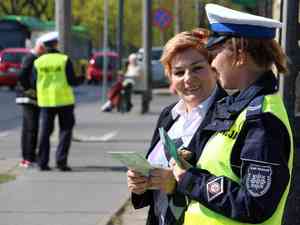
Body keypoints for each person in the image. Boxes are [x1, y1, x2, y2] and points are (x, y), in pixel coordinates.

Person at [171, 4, 294, 225]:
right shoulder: (236, 107)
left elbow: (254, 205)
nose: (212, 61)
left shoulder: (262, 121)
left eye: (216, 51)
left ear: (239, 53)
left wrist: (191, 180)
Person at [127, 29, 227, 225]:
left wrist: (176, 184)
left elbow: (232, 193)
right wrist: (140, 184)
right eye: (179, 72)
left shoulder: (230, 115)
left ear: (214, 68)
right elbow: (156, 183)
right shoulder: (169, 115)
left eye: (197, 68)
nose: (188, 78)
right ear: (170, 78)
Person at [33, 31, 84, 171]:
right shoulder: (64, 59)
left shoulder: (38, 62)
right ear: (56, 44)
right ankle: (61, 162)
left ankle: (42, 162)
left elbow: (32, 81)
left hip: (45, 102)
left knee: (45, 133)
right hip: (64, 101)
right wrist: (82, 78)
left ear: (45, 46)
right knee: (65, 131)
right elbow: (72, 81)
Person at [16, 40, 46, 168]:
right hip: (28, 98)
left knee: (28, 128)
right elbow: (22, 75)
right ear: (39, 47)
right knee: (32, 128)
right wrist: (29, 89)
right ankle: (29, 158)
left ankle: (26, 157)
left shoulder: (32, 58)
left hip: (28, 97)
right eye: (44, 50)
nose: (44, 53)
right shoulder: (31, 58)